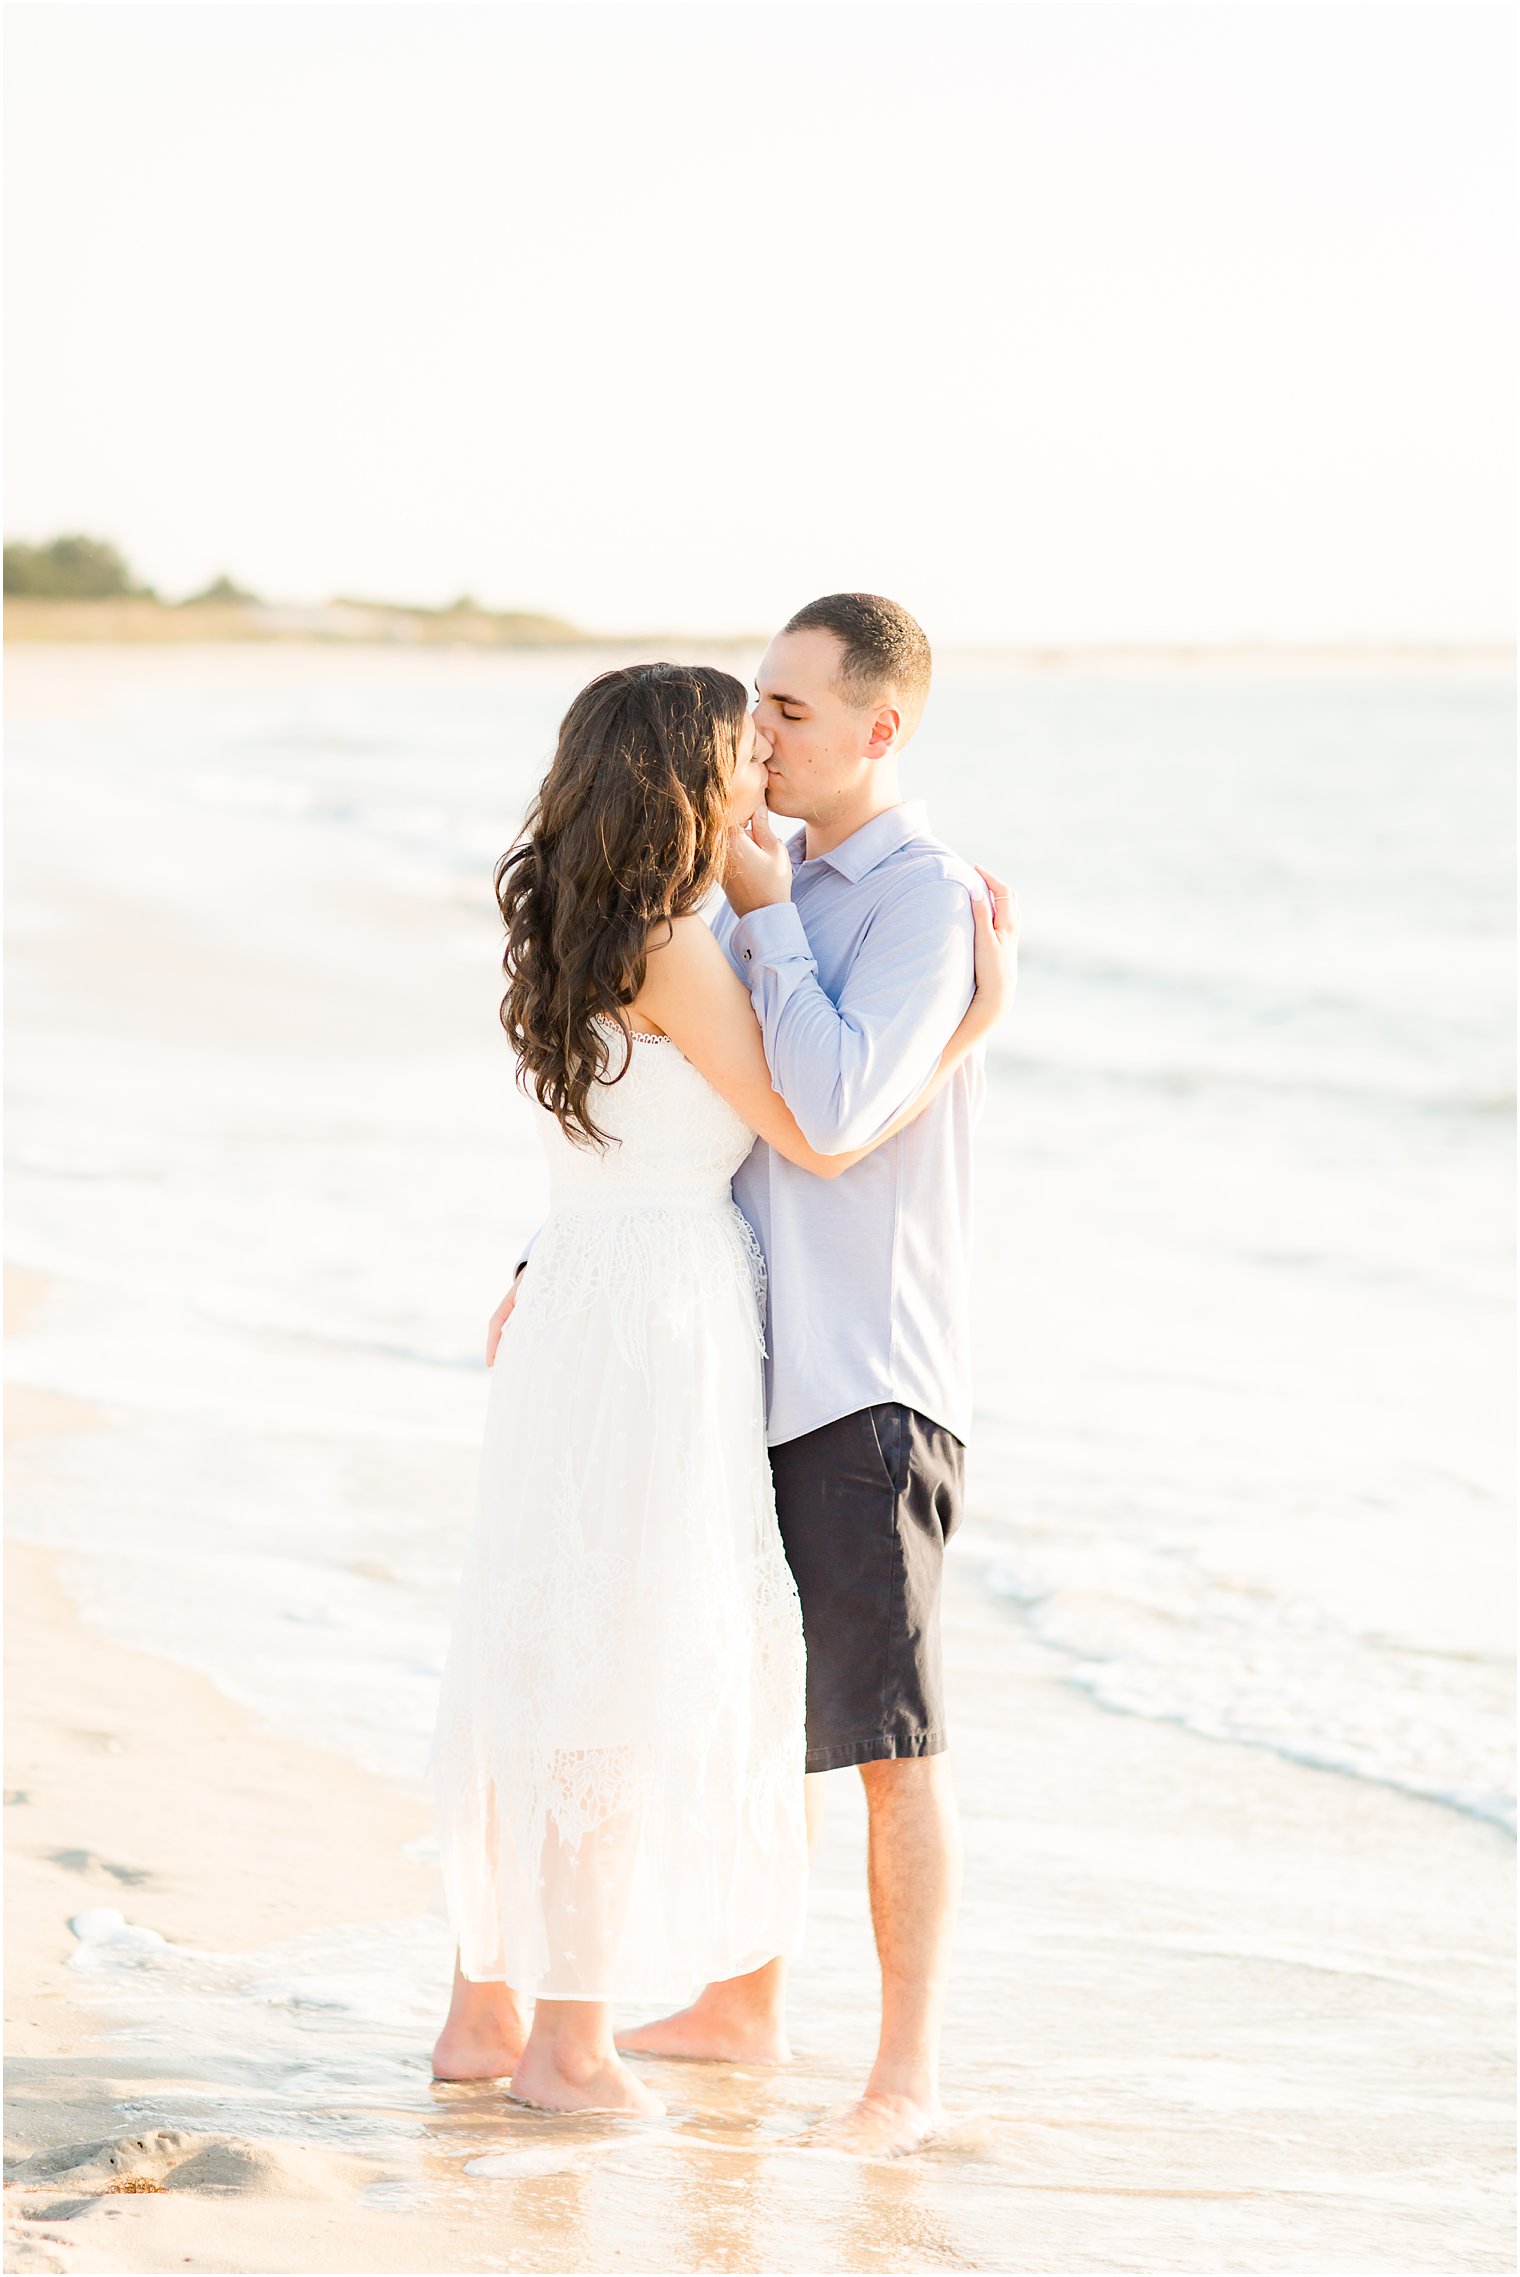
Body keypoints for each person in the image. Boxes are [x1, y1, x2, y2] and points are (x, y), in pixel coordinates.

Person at [428, 659, 1009, 2119]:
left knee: (538, 1645)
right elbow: (816, 1135)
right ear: (687, 782)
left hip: (579, 1293)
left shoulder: (565, 931)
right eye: (739, 748)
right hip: (662, 1322)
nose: (760, 767)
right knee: (615, 1664)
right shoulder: (690, 945)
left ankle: (482, 2009)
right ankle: (568, 2041)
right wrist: (976, 1028)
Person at [615, 594, 1012, 2157]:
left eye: (785, 709)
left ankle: (906, 2073)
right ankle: (740, 2001)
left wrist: (767, 910)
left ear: (878, 728)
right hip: (740, 1355)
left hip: (867, 1374)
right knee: (749, 1706)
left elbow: (837, 1111)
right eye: (755, 706)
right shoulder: (746, 888)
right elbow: (701, 1106)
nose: (754, 734)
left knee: (887, 1738)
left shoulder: (920, 897)